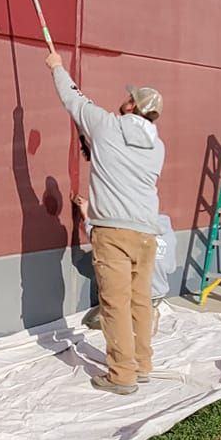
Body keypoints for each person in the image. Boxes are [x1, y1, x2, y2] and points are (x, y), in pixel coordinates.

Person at [45, 51, 164, 394]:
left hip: (113, 232)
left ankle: (122, 376)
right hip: (146, 233)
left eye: (127, 98)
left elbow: (72, 98)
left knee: (114, 303)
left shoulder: (107, 125)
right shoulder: (158, 147)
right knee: (140, 301)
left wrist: (57, 67)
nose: (122, 101)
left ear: (131, 105)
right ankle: (142, 365)